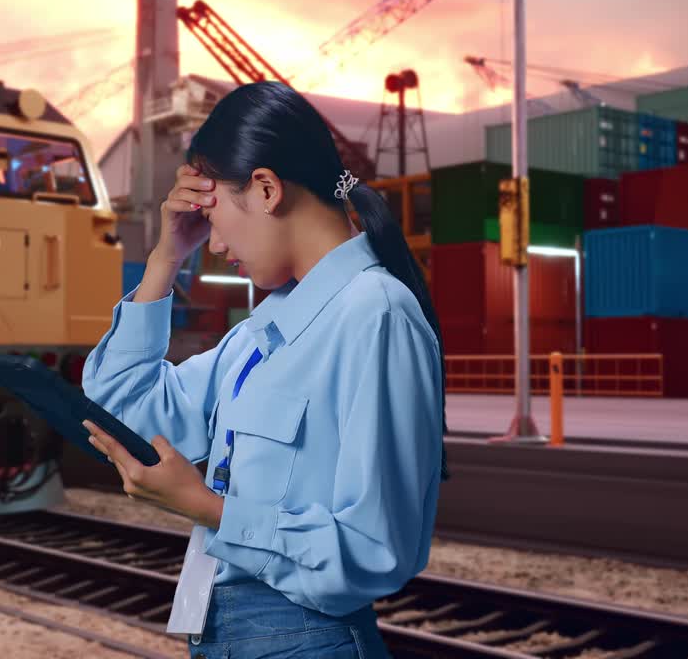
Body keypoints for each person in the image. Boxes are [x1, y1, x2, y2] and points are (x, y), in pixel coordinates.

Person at [81, 80, 446, 659]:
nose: (215, 240)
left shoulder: (374, 315)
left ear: (267, 188)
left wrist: (206, 507)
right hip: (226, 633)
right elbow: (124, 412)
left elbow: (376, 549)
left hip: (307, 640)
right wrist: (165, 257)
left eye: (214, 212)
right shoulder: (261, 332)